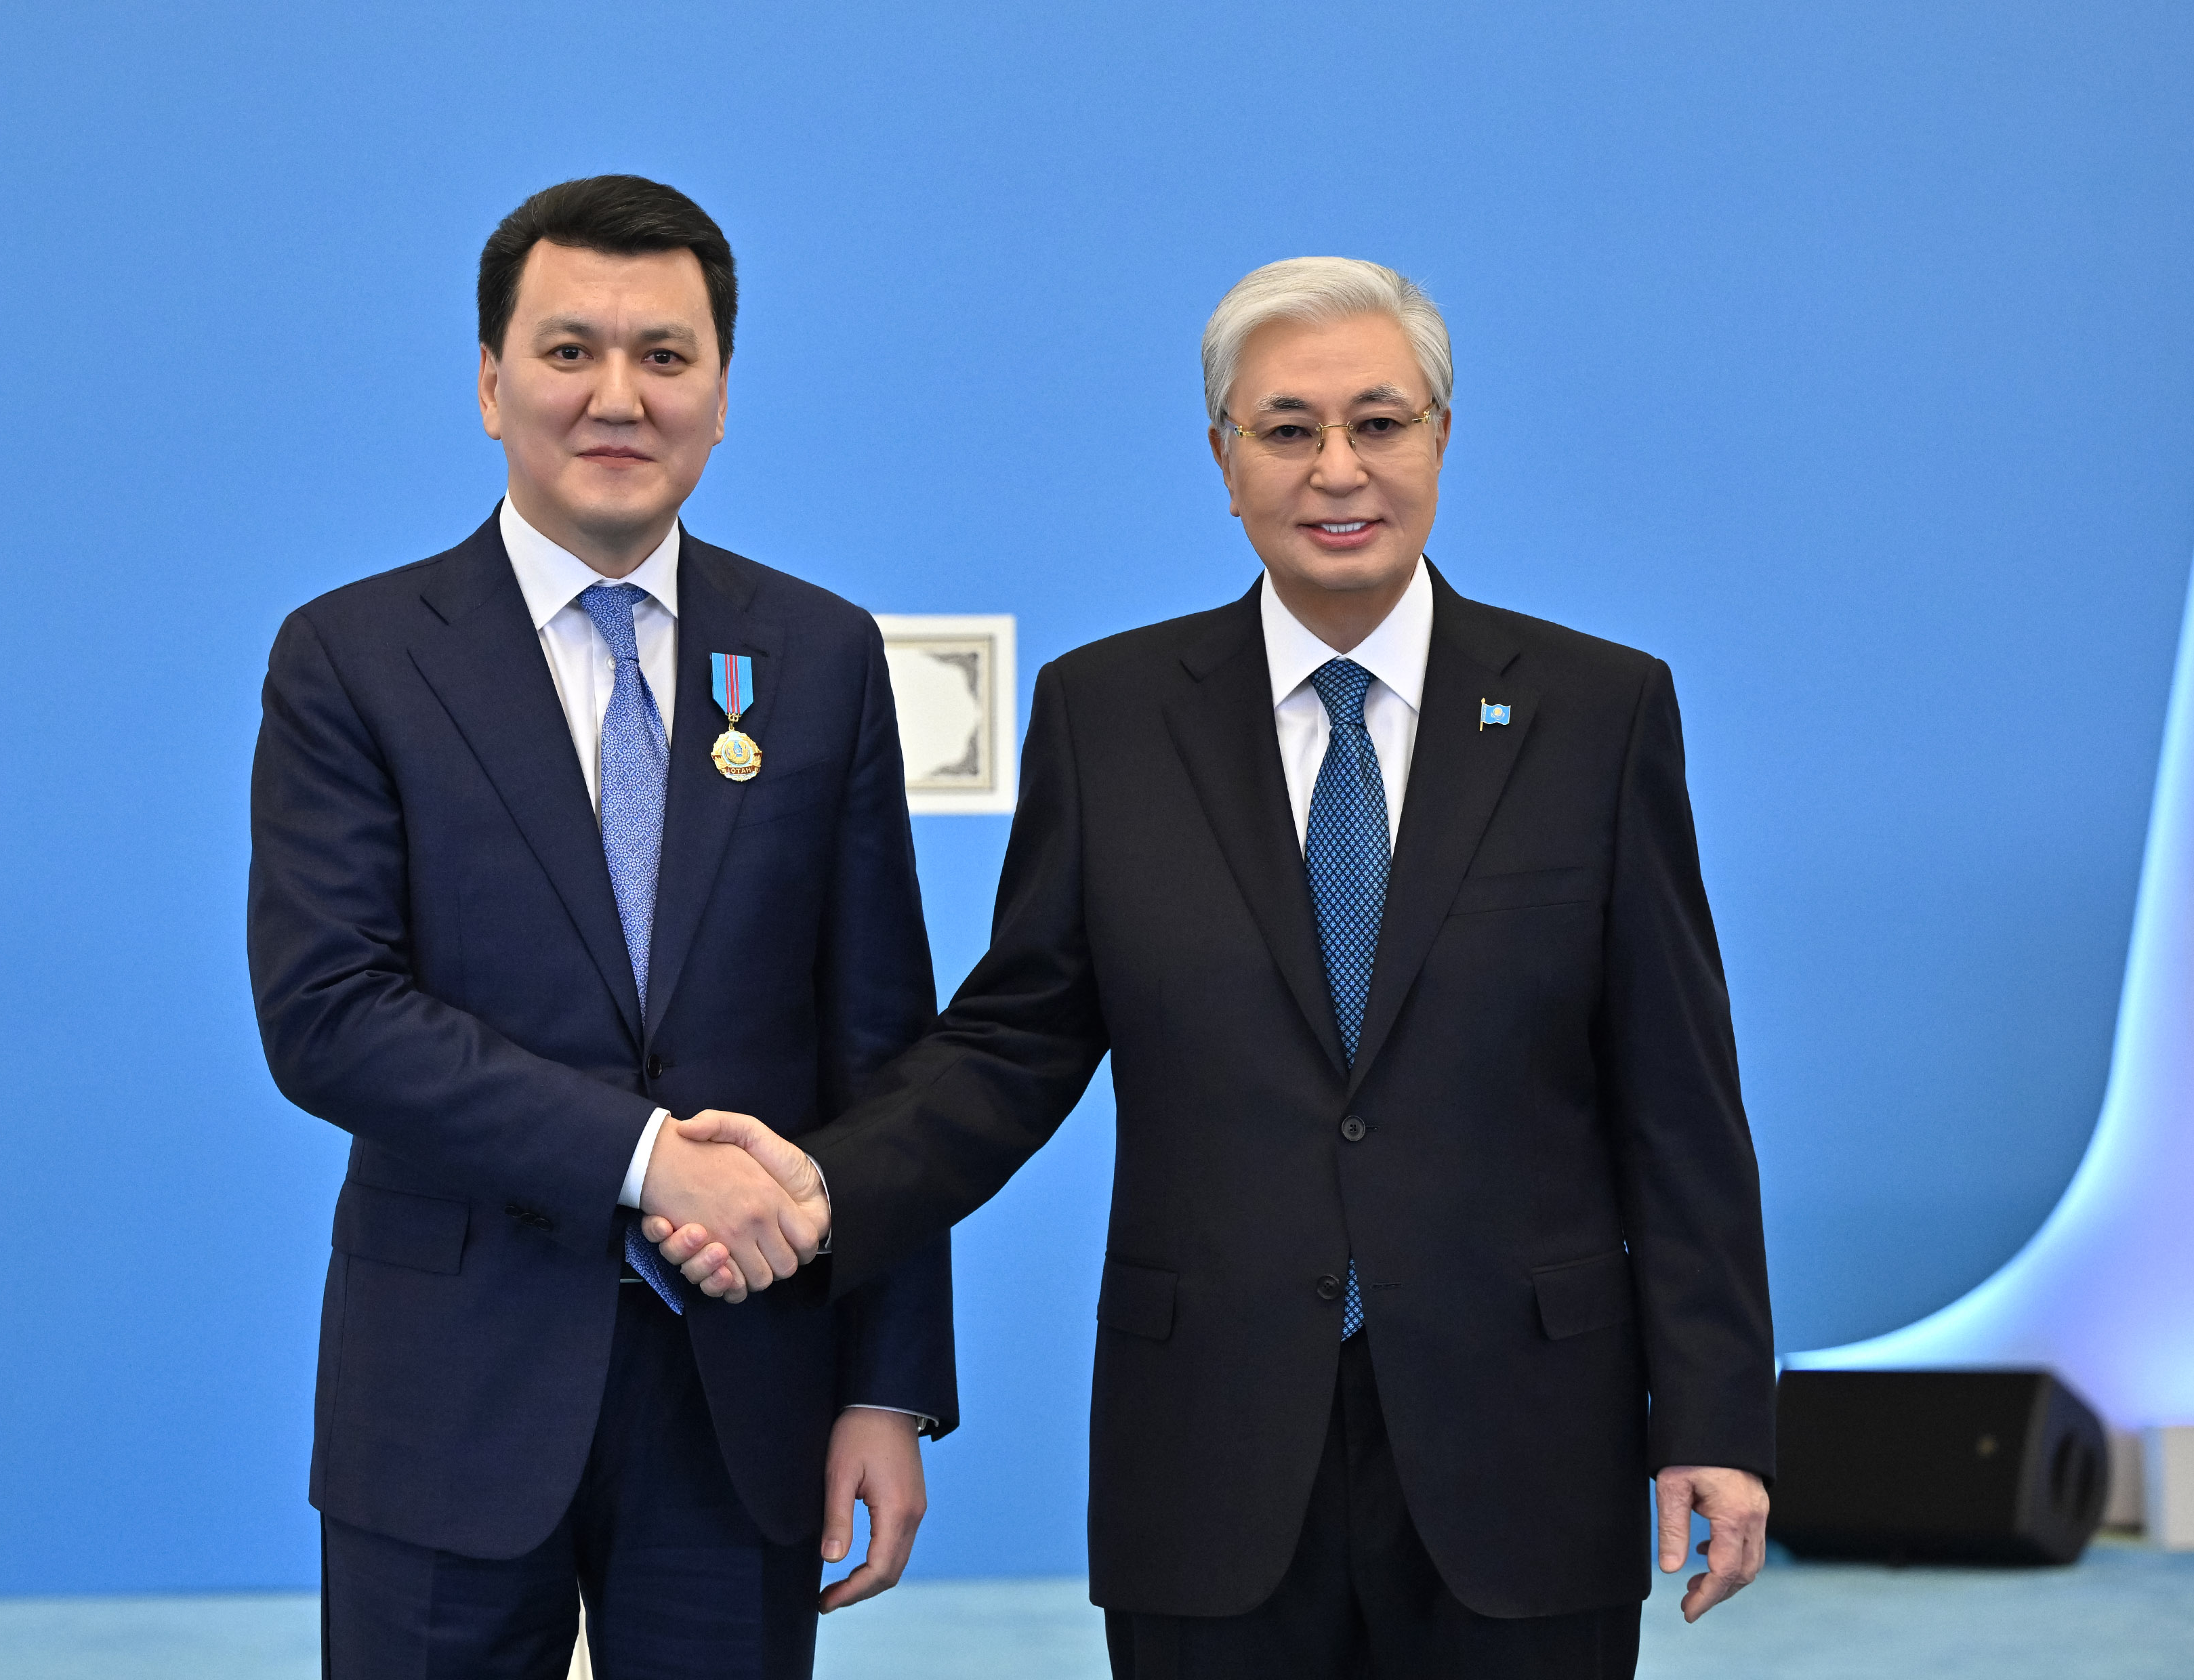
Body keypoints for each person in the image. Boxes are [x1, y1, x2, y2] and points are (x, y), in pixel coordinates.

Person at [649, 258, 1777, 1679]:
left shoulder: (1596, 712)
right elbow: (1011, 1047)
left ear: (1440, 438)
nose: (1337, 468)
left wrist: (1716, 1418)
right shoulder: (1109, 715)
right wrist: (821, 1187)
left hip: (1525, 1448)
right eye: (1286, 428)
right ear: (1223, 459)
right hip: (1210, 1452)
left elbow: (1677, 1100)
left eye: (1379, 422)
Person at [246, 174, 953, 1680]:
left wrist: (885, 1389)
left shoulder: (820, 655)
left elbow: (882, 1048)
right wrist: (646, 1158)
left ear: (720, 394)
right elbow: (330, 1012)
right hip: (449, 1393)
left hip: (745, 1395)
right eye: (569, 350)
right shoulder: (354, 657)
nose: (617, 396)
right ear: (489, 383)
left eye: (664, 356)